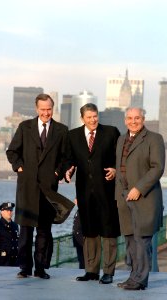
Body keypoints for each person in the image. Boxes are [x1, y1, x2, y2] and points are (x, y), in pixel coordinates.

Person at [6, 93, 74, 279]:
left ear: (53, 108)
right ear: (37, 109)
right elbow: (12, 151)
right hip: (27, 187)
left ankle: (41, 268)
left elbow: (66, 158)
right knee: (25, 232)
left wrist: (57, 173)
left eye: (49, 109)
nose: (46, 113)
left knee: (44, 231)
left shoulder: (61, 130)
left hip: (48, 188)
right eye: (43, 109)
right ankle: (25, 268)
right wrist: (19, 167)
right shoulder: (24, 127)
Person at [66, 103, 120, 284]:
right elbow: (69, 159)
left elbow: (120, 158)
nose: (93, 120)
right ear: (82, 118)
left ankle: (109, 271)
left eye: (95, 116)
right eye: (89, 117)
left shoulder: (111, 132)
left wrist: (115, 169)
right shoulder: (72, 135)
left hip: (107, 191)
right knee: (89, 232)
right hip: (84, 192)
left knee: (109, 232)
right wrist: (68, 170)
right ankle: (91, 271)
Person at [115, 107, 165, 290]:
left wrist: (138, 188)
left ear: (143, 119)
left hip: (145, 198)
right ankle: (133, 276)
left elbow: (157, 168)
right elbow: (121, 167)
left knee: (142, 241)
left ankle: (140, 280)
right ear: (125, 120)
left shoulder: (154, 139)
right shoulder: (121, 139)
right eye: (129, 118)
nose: (133, 121)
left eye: (137, 118)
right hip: (123, 198)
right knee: (130, 240)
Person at [0, 202, 19, 266]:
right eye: (7, 210)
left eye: (11, 210)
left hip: (15, 262)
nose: (10, 212)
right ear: (2, 212)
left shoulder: (15, 225)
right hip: (2, 262)